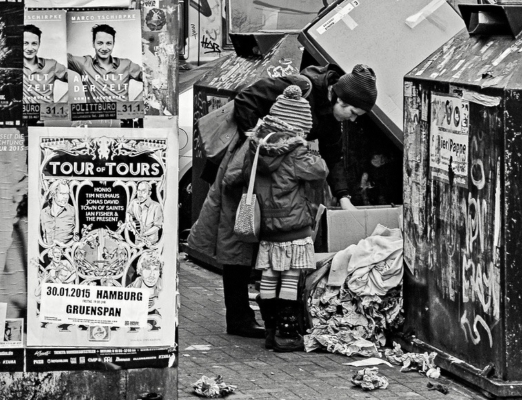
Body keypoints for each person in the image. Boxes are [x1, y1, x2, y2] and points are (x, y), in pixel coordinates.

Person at [187, 63, 377, 338]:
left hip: (274, 180)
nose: (352, 118)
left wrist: (344, 197)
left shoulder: (332, 119)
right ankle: (238, 317)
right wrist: (264, 146)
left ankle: (266, 315)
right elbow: (245, 100)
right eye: (352, 111)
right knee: (237, 236)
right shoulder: (301, 86)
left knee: (263, 242)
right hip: (247, 172)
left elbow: (333, 157)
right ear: (338, 97)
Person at [243, 85, 328, 351]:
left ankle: (270, 332)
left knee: (268, 275)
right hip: (292, 225)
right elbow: (320, 170)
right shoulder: (296, 152)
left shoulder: (257, 145)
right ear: (298, 126)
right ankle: (286, 334)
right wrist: (309, 148)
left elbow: (246, 175)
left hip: (267, 225)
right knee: (290, 276)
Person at [68, 24, 143, 103]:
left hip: (121, 115)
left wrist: (136, 104)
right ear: (93, 44)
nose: (104, 48)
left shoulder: (127, 65)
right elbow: (63, 56)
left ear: (113, 44)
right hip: (97, 115)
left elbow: (151, 78)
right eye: (100, 43)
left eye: (108, 43)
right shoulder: (84, 64)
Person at [23, 24, 68, 104]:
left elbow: (77, 79)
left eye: (34, 43)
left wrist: (60, 104)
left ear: (39, 44)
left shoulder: (52, 65)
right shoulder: (11, 67)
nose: (30, 48)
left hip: (47, 115)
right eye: (25, 43)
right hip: (22, 115)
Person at [121, 181, 164, 246]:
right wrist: (129, 222)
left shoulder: (156, 206)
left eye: (143, 191)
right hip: (137, 242)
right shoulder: (134, 203)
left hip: (151, 243)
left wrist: (143, 234)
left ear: (149, 193)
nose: (140, 194)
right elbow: (128, 213)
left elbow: (157, 226)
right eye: (139, 190)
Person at [41, 180, 75, 245]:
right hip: (47, 252)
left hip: (67, 252)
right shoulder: (43, 213)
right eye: (62, 193)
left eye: (67, 193)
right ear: (53, 194)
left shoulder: (73, 212)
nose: (66, 197)